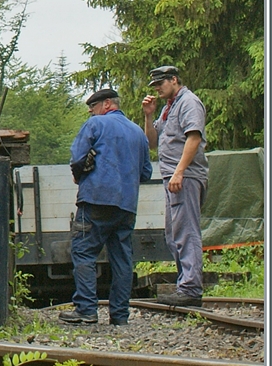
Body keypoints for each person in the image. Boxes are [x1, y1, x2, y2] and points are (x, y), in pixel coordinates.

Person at [61, 87, 151, 326]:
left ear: (107, 104)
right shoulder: (138, 133)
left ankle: (86, 310)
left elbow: (78, 158)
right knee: (122, 259)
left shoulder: (95, 125)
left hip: (96, 200)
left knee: (83, 251)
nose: (91, 113)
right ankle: (120, 316)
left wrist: (80, 173)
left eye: (93, 108)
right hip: (126, 206)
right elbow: (146, 172)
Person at [142, 65, 208, 307]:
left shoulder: (189, 102)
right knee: (173, 234)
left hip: (185, 177)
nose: (157, 88)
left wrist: (179, 173)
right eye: (155, 85)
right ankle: (185, 286)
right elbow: (151, 142)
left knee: (186, 231)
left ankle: (191, 288)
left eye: (161, 83)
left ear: (174, 79)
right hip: (173, 178)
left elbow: (194, 137)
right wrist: (149, 115)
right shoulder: (169, 108)